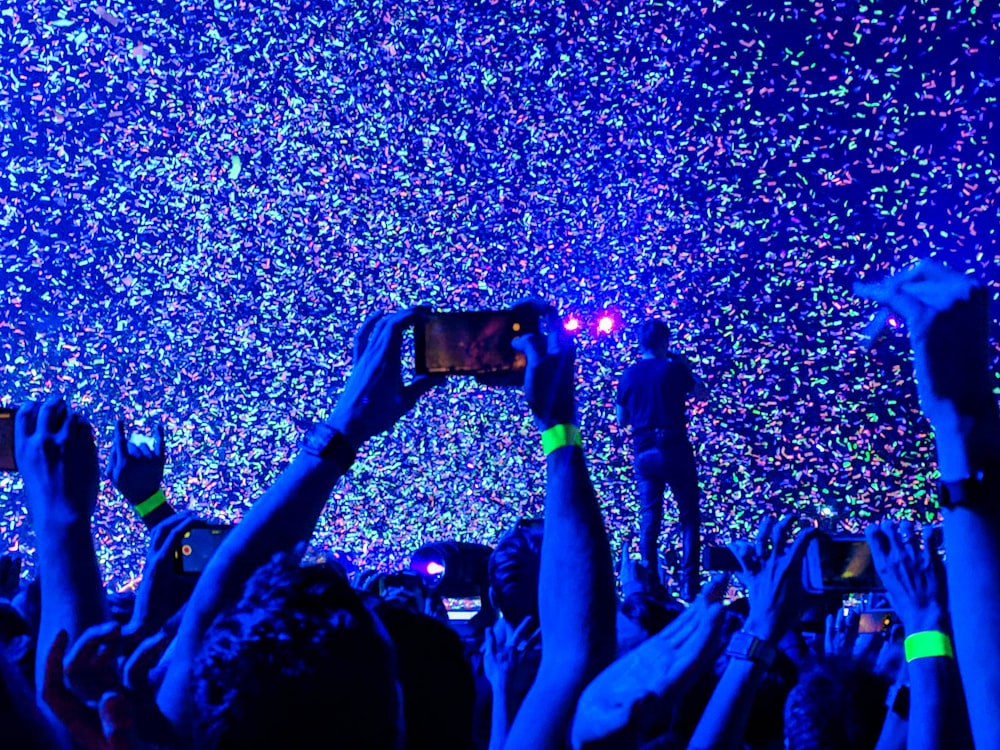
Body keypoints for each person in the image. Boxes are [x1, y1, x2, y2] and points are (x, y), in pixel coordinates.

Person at [616, 319, 706, 599]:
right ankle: (689, 583)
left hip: (643, 450)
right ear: (665, 341)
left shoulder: (628, 375)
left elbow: (621, 420)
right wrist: (683, 365)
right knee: (689, 516)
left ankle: (651, 583)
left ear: (640, 344)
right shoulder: (673, 369)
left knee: (650, 517)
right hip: (674, 445)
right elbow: (702, 393)